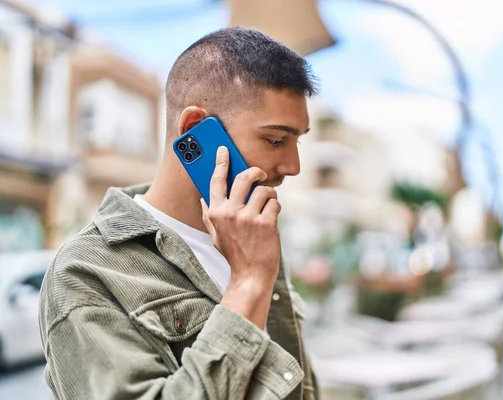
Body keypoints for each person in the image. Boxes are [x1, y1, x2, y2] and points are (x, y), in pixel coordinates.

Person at [39, 27, 319, 400]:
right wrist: (249, 283)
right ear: (194, 131)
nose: (293, 165)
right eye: (275, 140)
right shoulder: (87, 272)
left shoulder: (250, 235)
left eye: (297, 141)